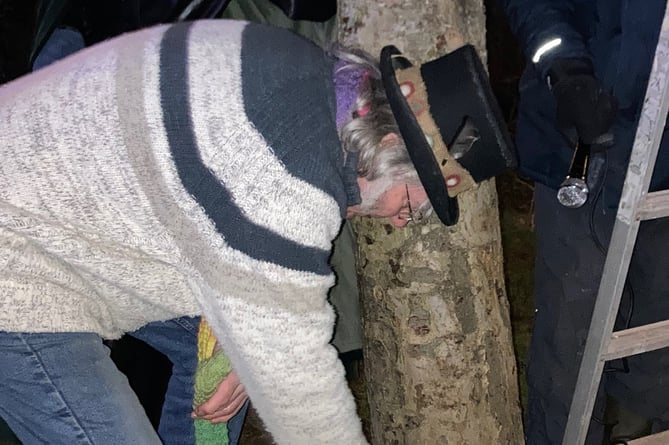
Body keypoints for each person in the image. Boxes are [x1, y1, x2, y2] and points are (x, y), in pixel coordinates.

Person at [0, 18, 511, 445]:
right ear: (389, 146)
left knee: (232, 357)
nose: (403, 218)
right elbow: (305, 404)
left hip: (74, 221)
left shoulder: (295, 69)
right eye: (413, 201)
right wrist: (267, 355)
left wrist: (254, 348)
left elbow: (219, 217)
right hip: (20, 267)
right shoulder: (290, 185)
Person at [497, 1, 669, 443]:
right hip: (584, 140)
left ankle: (639, 428)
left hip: (664, 158)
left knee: (659, 321)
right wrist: (565, 68)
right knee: (572, 336)